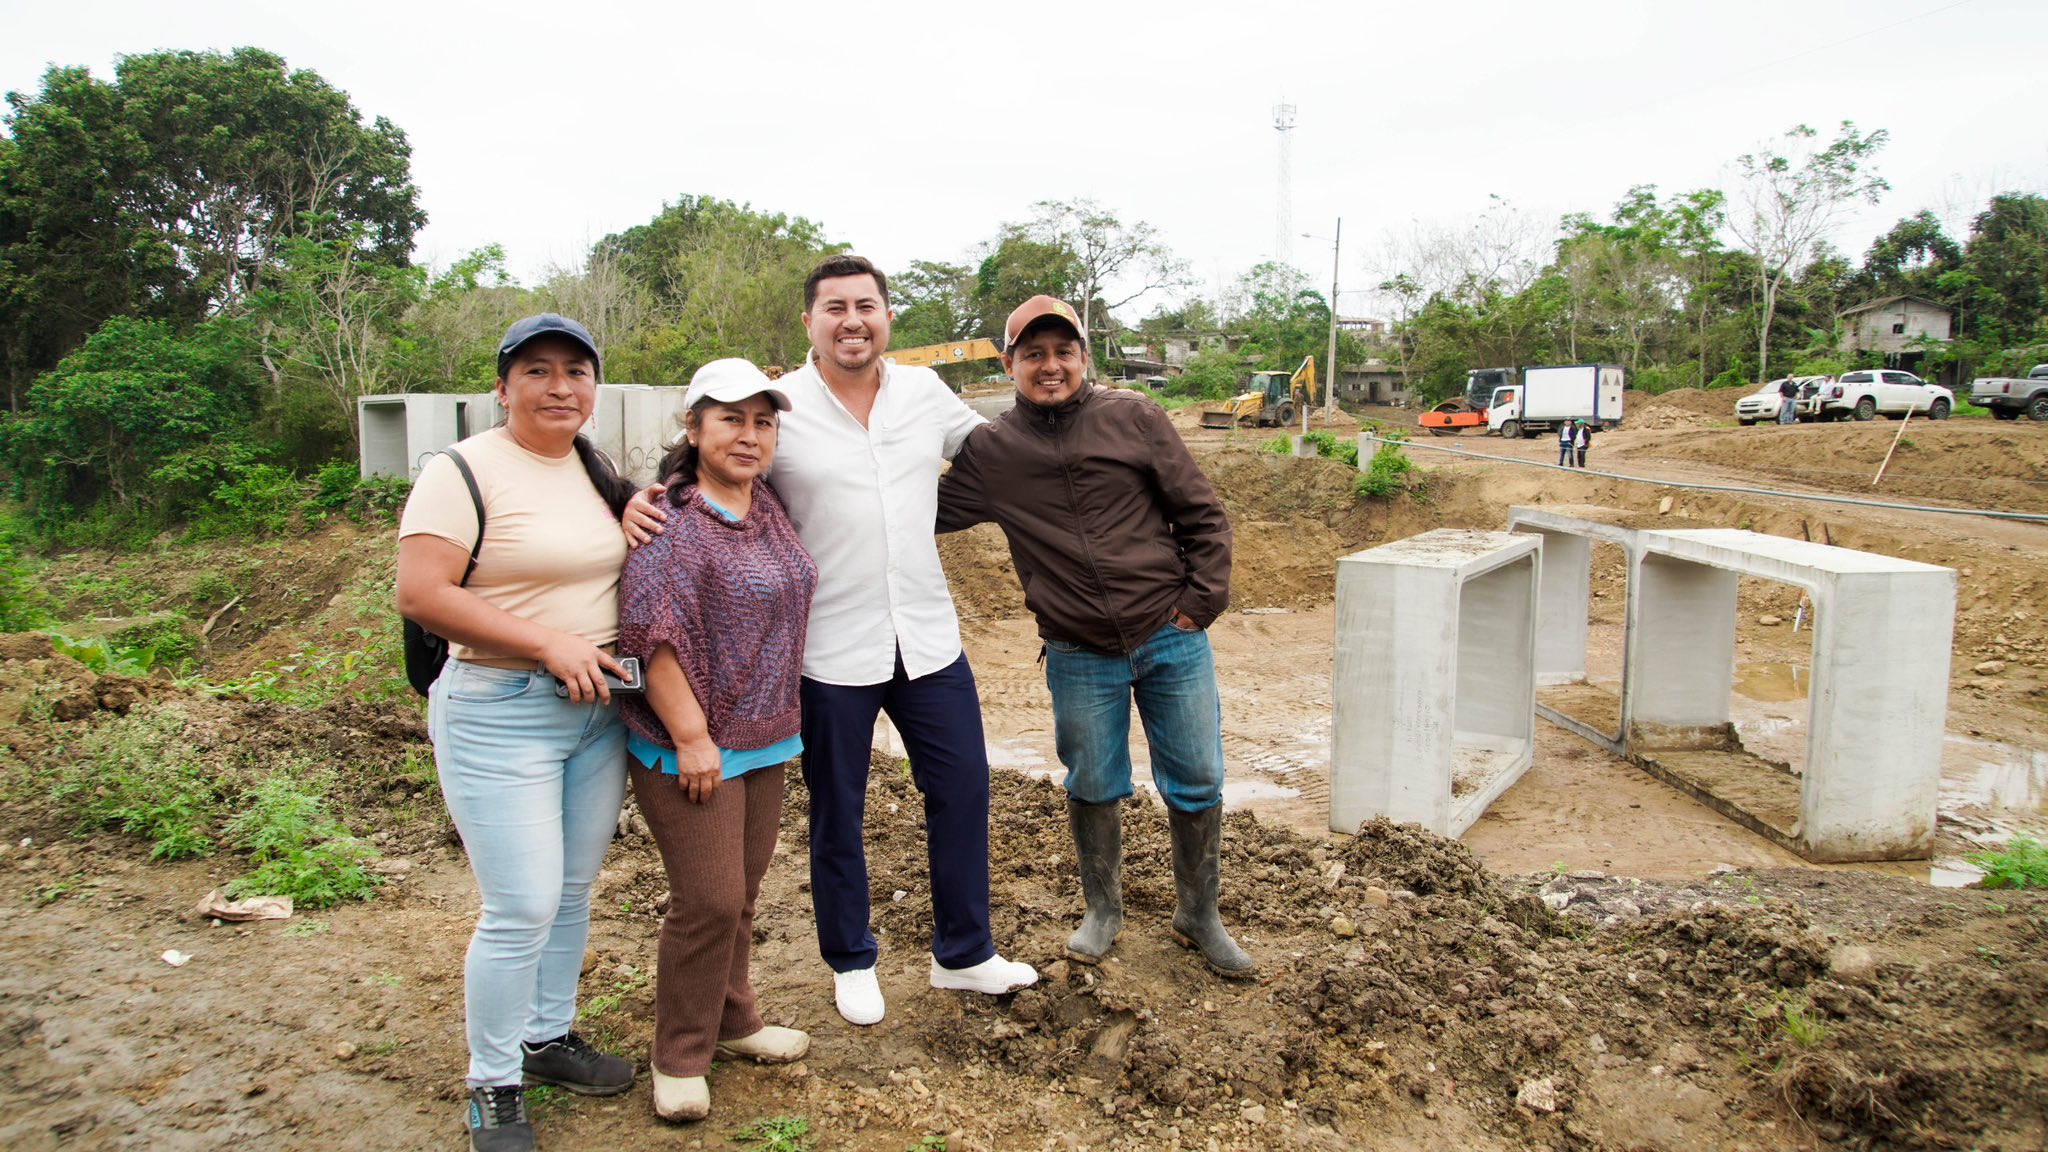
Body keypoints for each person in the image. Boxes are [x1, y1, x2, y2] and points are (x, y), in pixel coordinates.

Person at [625, 255, 1035, 1028]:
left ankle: (965, 952)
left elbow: (1006, 453)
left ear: (887, 318)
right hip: (826, 650)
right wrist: (638, 497)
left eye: (868, 306)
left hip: (927, 635)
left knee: (963, 788)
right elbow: (713, 480)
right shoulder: (780, 411)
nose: (854, 320)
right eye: (836, 307)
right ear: (809, 322)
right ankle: (851, 957)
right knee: (838, 808)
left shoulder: (924, 393)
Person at [934, 296, 1255, 980]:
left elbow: (1202, 513)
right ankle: (1103, 911)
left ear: (1084, 356)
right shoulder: (995, 452)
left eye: (1062, 353)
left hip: (1170, 635)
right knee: (1093, 781)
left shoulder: (1133, 416)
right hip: (1078, 650)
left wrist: (1200, 604)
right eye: (1033, 355)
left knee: (1197, 777)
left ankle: (1200, 914)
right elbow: (911, 510)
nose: (1050, 367)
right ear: (1009, 363)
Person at [396, 314, 640, 1152]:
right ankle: (491, 1084)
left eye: (577, 371)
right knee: (520, 906)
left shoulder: (590, 467)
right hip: (500, 708)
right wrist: (546, 643)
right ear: (501, 388)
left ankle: (546, 1038)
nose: (560, 386)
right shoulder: (460, 471)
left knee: (571, 891)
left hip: (594, 713)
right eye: (537, 371)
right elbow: (421, 593)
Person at [617, 359, 817, 1122]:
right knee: (707, 899)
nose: (749, 434)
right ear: (693, 427)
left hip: (765, 735)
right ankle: (679, 1054)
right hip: (690, 744)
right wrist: (692, 735)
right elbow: (652, 639)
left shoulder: (764, 505)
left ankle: (736, 1023)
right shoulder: (673, 520)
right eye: (730, 418)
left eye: (763, 421)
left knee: (741, 896)